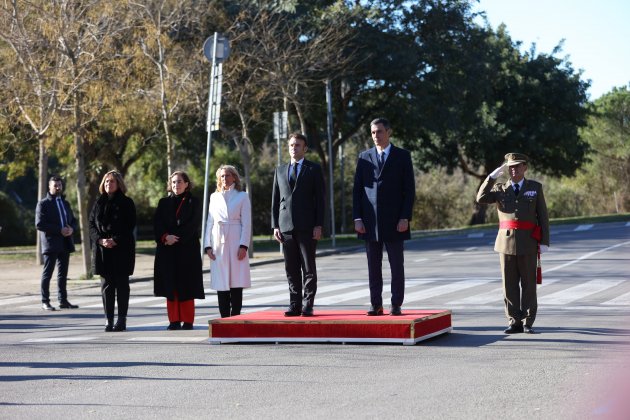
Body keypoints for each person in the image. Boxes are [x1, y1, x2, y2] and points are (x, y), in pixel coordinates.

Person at [476, 152, 550, 334]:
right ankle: (513, 321)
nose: (514, 170)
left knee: (528, 284)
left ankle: (527, 321)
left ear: (525, 167)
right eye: (510, 167)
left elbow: (543, 216)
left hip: (528, 242)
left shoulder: (535, 187)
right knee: (509, 284)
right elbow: (481, 198)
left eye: (517, 166)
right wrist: (492, 177)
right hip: (505, 243)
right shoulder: (501, 188)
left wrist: (544, 241)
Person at [352, 118, 415, 316]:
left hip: (395, 221)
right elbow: (357, 190)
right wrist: (357, 218)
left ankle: (396, 303)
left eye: (379, 132)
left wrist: (405, 217)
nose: (376, 136)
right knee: (373, 267)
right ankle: (376, 304)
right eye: (372, 133)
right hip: (370, 222)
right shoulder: (364, 157)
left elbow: (409, 190)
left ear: (388, 132)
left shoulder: (402, 156)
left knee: (396, 266)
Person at [271, 132, 325, 317]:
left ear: (305, 148)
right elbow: (276, 200)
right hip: (286, 227)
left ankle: (307, 304)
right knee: (291, 269)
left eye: (297, 145)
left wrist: (319, 224)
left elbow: (320, 199)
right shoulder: (280, 170)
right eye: (291, 145)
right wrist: (275, 226)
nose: (294, 148)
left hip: (307, 227)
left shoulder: (313, 169)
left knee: (308, 268)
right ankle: (294, 304)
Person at [153, 171, 205, 330]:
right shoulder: (163, 202)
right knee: (171, 285)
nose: (177, 185)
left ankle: (188, 321)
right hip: (167, 250)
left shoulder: (194, 202)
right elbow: (157, 224)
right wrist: (165, 237)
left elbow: (193, 224)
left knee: (187, 285)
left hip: (187, 249)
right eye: (174, 182)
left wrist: (177, 237)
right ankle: (174, 320)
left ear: (187, 184)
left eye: (180, 182)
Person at [88, 170, 136, 332]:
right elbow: (91, 226)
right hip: (103, 251)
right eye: (106, 181)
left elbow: (129, 226)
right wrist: (100, 240)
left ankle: (121, 320)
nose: (109, 184)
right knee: (106, 287)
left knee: (122, 286)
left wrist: (115, 240)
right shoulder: (98, 203)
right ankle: (108, 320)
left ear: (119, 184)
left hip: (121, 250)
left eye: (112, 181)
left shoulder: (127, 202)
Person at [204, 165, 252, 318]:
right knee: (222, 281)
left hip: (236, 238)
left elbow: (247, 222)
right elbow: (210, 222)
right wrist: (207, 245)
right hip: (218, 240)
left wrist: (244, 245)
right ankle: (224, 317)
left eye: (227, 175)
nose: (224, 179)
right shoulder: (214, 197)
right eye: (222, 176)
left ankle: (235, 316)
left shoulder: (242, 196)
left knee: (236, 281)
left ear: (234, 177)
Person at [35, 175, 79, 311]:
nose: (58, 187)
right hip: (51, 243)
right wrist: (59, 230)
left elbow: (73, 221)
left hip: (65, 242)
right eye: (55, 185)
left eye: (60, 185)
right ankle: (45, 301)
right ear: (49, 187)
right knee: (48, 273)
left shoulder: (65, 203)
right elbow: (39, 224)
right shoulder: (43, 204)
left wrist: (71, 229)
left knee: (63, 274)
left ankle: (63, 300)